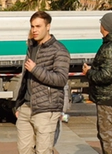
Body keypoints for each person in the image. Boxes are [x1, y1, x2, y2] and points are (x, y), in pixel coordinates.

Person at [14, 10, 70, 154]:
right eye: (32, 26)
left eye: (38, 26)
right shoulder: (32, 47)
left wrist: (36, 69)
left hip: (46, 109)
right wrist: (18, 105)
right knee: (24, 150)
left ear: (48, 26)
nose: (34, 30)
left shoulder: (59, 50)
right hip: (26, 107)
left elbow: (61, 79)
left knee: (43, 151)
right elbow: (25, 79)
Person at [83, 11, 112, 154]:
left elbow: (106, 75)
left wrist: (89, 72)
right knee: (105, 131)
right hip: (110, 93)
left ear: (104, 26)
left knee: (108, 133)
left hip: (107, 95)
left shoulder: (110, 46)